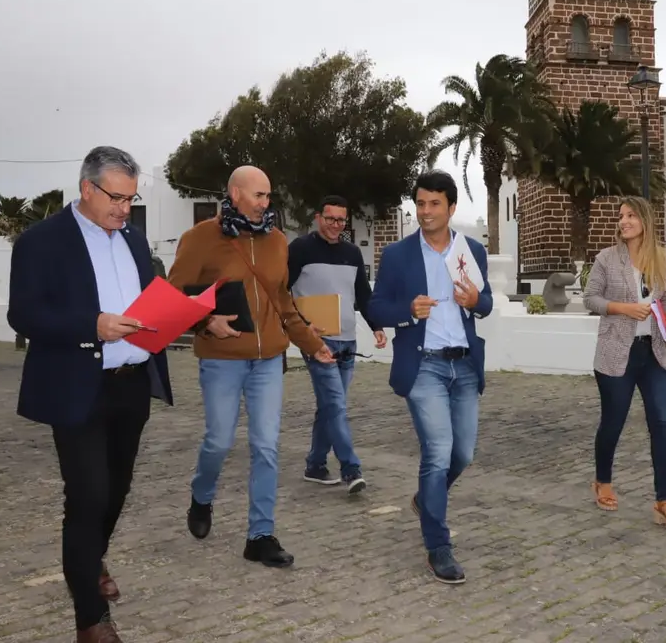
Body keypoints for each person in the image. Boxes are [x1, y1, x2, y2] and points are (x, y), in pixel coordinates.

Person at [8, 146, 174, 643]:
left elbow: (149, 305)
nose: (125, 208)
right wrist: (92, 325)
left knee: (116, 491)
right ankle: (90, 618)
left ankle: (87, 559)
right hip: (77, 389)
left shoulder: (136, 241)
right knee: (87, 497)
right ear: (87, 189)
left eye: (131, 198)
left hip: (132, 387)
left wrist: (194, 317)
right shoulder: (42, 242)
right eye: (117, 198)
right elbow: (24, 316)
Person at [166, 165, 334, 569]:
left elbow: (283, 304)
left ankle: (260, 535)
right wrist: (205, 322)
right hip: (221, 360)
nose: (265, 203)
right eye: (259, 195)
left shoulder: (277, 241)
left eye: (268, 196)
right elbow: (172, 297)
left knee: (266, 446)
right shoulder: (200, 239)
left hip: (268, 362)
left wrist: (313, 345)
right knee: (219, 442)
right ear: (235, 194)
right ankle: (201, 496)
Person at [367, 170, 492, 585]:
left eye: (434, 203)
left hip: (465, 366)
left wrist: (476, 300)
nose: (425, 211)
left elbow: (486, 302)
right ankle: (438, 546)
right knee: (437, 453)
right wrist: (408, 309)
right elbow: (376, 308)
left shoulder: (472, 249)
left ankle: (426, 499)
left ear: (451, 207)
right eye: (420, 203)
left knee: (464, 454)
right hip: (424, 366)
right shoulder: (398, 255)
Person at [582, 195, 666, 534]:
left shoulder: (660, 259)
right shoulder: (606, 259)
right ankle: (602, 481)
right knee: (613, 422)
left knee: (663, 423)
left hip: (655, 353)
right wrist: (624, 309)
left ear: (644, 220)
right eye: (621, 216)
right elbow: (590, 299)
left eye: (630, 215)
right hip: (616, 354)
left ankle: (664, 501)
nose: (624, 221)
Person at [288, 195, 387, 494]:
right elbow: (282, 292)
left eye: (341, 220)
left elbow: (363, 295)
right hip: (317, 341)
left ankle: (315, 465)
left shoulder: (353, 253)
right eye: (330, 218)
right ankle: (350, 468)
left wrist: (377, 327)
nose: (335, 225)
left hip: (348, 341)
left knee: (330, 407)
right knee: (335, 405)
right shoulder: (300, 249)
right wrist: (302, 329)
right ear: (318, 217)